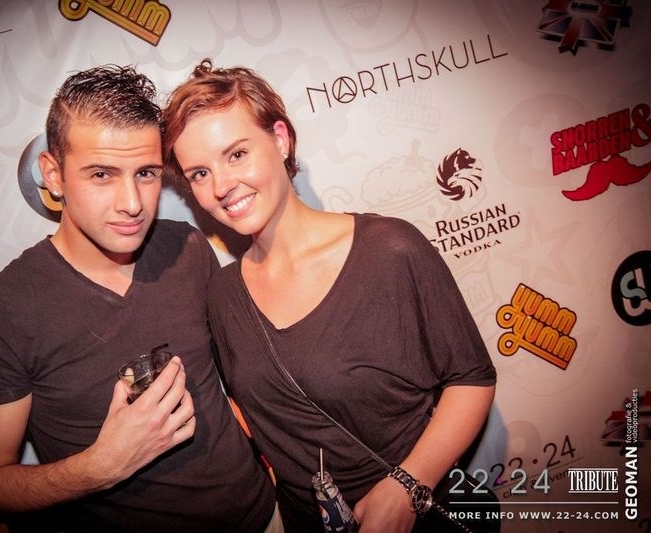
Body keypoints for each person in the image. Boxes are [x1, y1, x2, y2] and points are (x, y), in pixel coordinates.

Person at [162, 59, 497, 533]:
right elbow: (259, 412)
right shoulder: (223, 295)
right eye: (199, 173)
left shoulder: (389, 250)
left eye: (236, 154)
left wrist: (407, 486)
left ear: (280, 139)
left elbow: (472, 379)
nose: (220, 186)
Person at [0, 64, 278, 532]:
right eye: (102, 174)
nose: (131, 202)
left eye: (146, 173)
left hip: (264, 516)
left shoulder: (187, 249)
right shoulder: (3, 314)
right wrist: (99, 467)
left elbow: (233, 385)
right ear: (53, 175)